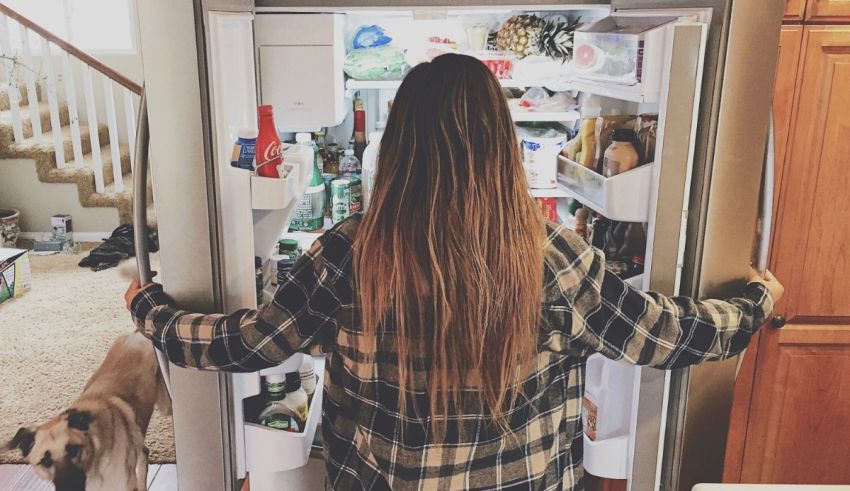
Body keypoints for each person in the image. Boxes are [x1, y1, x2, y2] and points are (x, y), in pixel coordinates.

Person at [126, 54, 783, 490]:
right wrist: (754, 301)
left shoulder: (349, 253)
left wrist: (149, 306)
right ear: (500, 144)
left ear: (400, 145)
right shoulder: (552, 257)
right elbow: (666, 334)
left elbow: (248, 342)